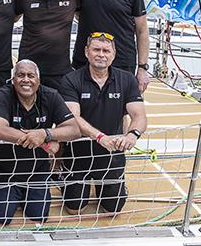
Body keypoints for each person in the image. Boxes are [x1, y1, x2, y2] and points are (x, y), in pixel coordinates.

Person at [59, 32, 147, 214]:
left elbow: (139, 115)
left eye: (106, 51)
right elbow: (73, 118)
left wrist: (132, 135)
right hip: (79, 154)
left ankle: (116, 187)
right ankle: (63, 179)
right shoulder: (71, 80)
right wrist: (99, 137)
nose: (101, 54)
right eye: (96, 50)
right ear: (86, 52)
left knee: (112, 210)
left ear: (113, 55)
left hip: (111, 154)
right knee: (74, 209)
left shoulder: (127, 79)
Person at [0, 60, 80, 225]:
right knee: (2, 217)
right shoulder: (1, 95)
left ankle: (26, 196)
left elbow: (73, 129)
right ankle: (3, 190)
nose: (26, 80)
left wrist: (46, 133)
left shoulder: (51, 95)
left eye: (31, 75)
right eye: (20, 75)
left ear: (38, 79)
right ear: (13, 79)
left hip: (37, 172)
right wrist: (43, 142)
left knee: (39, 216)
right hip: (5, 171)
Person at [15, 0, 80, 90]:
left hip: (60, 69)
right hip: (29, 69)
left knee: (61, 110)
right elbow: (13, 19)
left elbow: (82, 17)